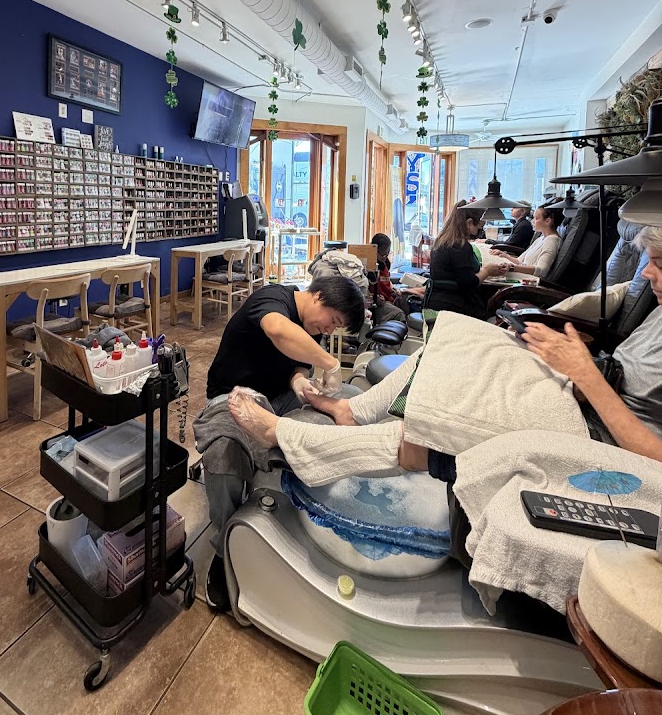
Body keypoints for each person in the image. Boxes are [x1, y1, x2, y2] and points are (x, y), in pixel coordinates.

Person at [226, 225, 662, 479]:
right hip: (584, 390)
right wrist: (582, 368)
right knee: (449, 338)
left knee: (433, 428)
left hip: (592, 430)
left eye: (658, 263)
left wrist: (585, 373)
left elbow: (651, 456)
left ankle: (285, 434)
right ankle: (350, 411)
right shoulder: (657, 313)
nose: (647, 273)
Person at [194, 275, 365, 612]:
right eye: (333, 321)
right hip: (234, 396)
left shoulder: (312, 329)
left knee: (350, 403)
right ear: (318, 296)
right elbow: (277, 330)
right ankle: (224, 547)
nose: (330, 330)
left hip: (278, 397)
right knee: (224, 453)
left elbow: (294, 365)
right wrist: (330, 362)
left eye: (336, 328)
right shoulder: (273, 298)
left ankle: (301, 509)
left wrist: (300, 382)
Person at [428, 203, 509, 319]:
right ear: (469, 223)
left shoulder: (442, 241)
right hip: (454, 304)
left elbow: (460, 272)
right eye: (480, 227)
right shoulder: (460, 246)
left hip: (439, 300)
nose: (480, 231)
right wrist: (487, 271)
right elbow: (469, 283)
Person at [493, 203, 562, 279]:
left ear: (548, 221)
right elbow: (519, 261)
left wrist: (512, 267)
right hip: (522, 275)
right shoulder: (540, 239)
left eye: (536, 218)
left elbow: (541, 270)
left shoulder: (552, 241)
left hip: (528, 280)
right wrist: (505, 255)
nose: (532, 221)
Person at [370, 232, 425, 323]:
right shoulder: (367, 267)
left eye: (388, 253)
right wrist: (373, 297)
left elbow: (387, 280)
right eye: (383, 254)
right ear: (375, 250)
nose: (385, 256)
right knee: (399, 314)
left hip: (390, 296)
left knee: (410, 299)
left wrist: (393, 289)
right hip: (379, 302)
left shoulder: (385, 263)